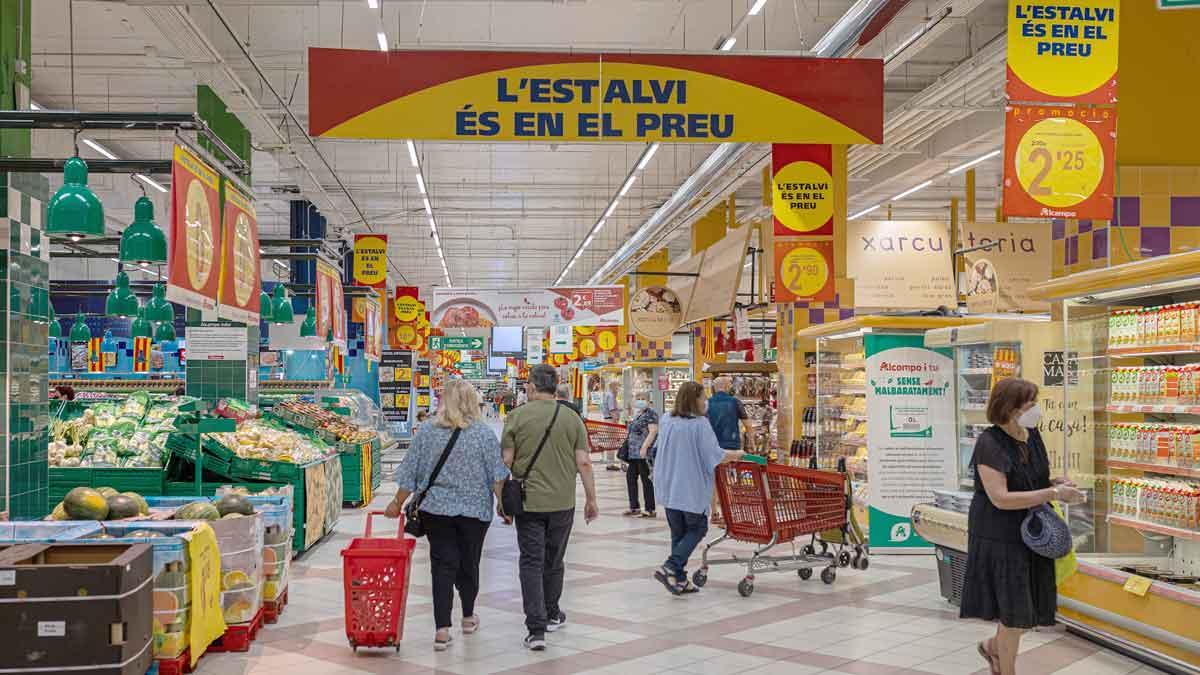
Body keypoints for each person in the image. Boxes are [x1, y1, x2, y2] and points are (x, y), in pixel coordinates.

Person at [960, 378, 1086, 675]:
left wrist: (1055, 483)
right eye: (1030, 405)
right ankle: (1007, 669)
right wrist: (1053, 494)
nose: (1036, 410)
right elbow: (1001, 498)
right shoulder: (989, 443)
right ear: (1011, 408)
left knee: (1026, 608)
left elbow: (1034, 478)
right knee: (1014, 613)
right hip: (1000, 534)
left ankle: (993, 648)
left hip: (1032, 533)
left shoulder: (1031, 434)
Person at [385, 379, 511, 651]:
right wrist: (503, 505)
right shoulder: (483, 433)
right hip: (475, 511)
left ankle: (442, 629)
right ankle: (467, 617)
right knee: (470, 563)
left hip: (436, 510)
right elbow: (497, 476)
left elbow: (410, 473)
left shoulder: (427, 432)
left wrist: (396, 503)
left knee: (442, 566)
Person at [502, 364, 599, 651]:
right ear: (556, 387)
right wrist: (592, 499)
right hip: (563, 502)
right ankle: (553, 612)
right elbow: (583, 462)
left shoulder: (516, 417)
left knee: (531, 561)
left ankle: (536, 629)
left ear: (531, 387)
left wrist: (500, 499)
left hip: (529, 502)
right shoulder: (572, 418)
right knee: (554, 560)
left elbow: (506, 461)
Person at [652, 381, 743, 595]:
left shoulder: (667, 419)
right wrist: (736, 454)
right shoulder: (700, 424)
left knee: (678, 532)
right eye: (703, 398)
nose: (706, 402)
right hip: (690, 487)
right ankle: (671, 566)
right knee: (697, 528)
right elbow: (715, 455)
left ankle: (680, 580)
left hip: (669, 486)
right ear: (695, 400)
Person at [705, 376, 754, 520]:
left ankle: (714, 512)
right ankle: (728, 514)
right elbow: (748, 425)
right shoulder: (735, 402)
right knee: (730, 478)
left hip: (712, 445)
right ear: (728, 387)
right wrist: (751, 442)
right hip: (731, 445)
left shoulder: (707, 403)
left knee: (714, 478)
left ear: (714, 387)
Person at [623, 391, 658, 518]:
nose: (640, 401)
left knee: (645, 479)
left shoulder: (651, 414)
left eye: (643, 398)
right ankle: (634, 507)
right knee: (630, 478)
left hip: (643, 453)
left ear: (649, 401)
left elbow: (653, 431)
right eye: (638, 398)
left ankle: (650, 509)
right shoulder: (638, 414)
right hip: (633, 453)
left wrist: (645, 447)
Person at [601, 381, 622, 471]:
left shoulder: (607, 394)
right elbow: (612, 410)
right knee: (612, 443)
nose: (618, 389)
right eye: (617, 387)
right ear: (613, 386)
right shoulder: (611, 396)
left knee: (610, 442)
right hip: (611, 420)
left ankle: (610, 463)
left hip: (607, 420)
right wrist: (616, 421)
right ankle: (610, 463)